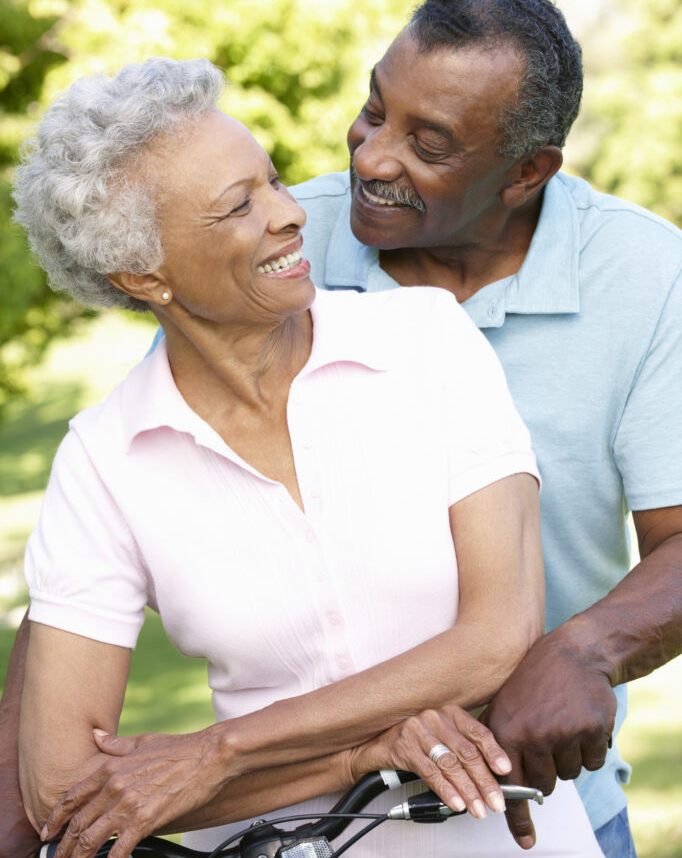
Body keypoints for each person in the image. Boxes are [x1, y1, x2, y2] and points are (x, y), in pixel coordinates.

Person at [8, 57, 604, 858]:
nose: (290, 215)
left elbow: (498, 636)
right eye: (237, 208)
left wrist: (219, 752)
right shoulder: (104, 462)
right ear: (144, 273)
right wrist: (362, 756)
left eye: (274, 181)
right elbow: (61, 790)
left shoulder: (427, 339)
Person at [288, 0, 682, 857]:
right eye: (373, 111)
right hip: (293, 814)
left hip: (544, 816)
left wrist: (586, 648)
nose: (372, 158)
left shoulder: (651, 278)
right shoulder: (280, 244)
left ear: (527, 173)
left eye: (427, 143)